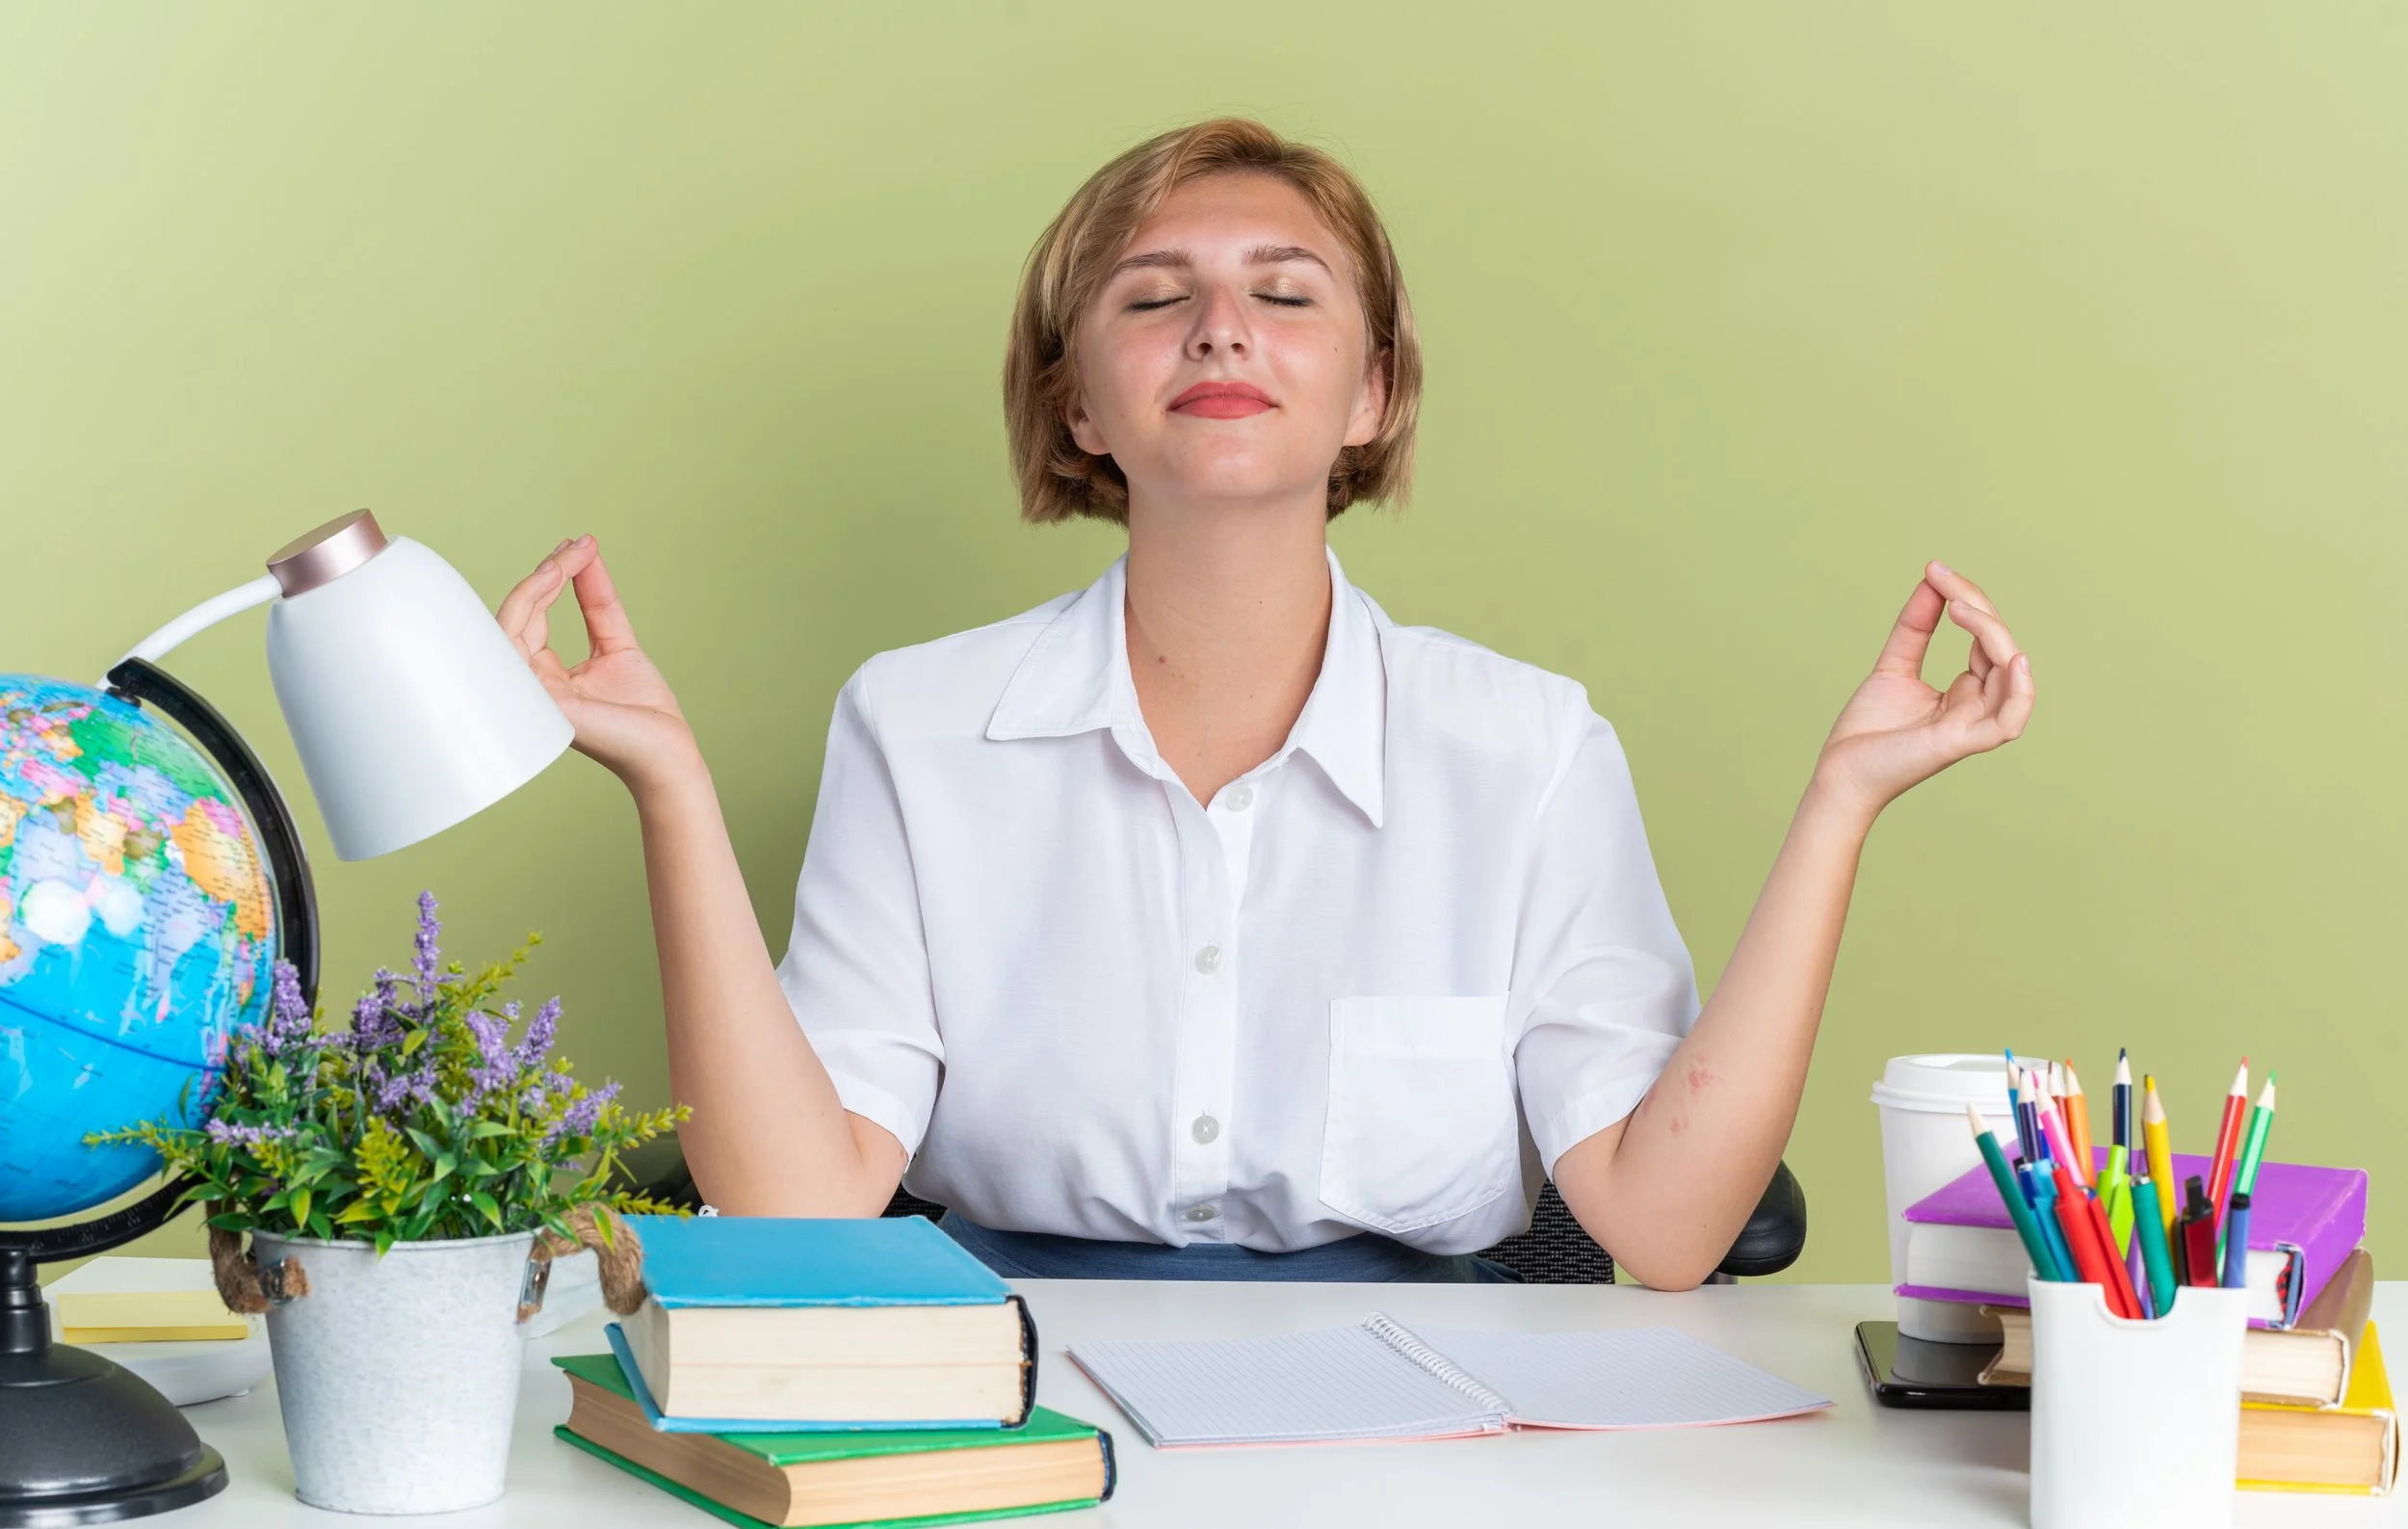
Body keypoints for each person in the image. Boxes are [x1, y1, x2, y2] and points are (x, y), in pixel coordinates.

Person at [496, 119, 2033, 1287]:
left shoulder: (1529, 747)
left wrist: (1842, 803)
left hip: (1429, 1416)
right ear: (1080, 405)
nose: (1220, 329)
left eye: (1284, 295)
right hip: (1007, 1386)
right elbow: (790, 1208)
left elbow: (1663, 1225)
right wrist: (669, 788)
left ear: (1373, 393)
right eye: (1155, 298)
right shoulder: (913, 724)